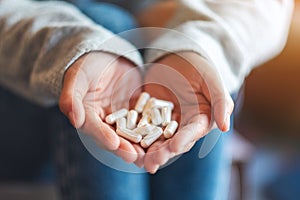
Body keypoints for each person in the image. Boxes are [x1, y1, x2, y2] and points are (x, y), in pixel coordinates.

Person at [0, 0, 293, 199]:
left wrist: (201, 45)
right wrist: (68, 49)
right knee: (110, 24)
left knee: (200, 68)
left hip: (157, 44)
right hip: (22, 87)